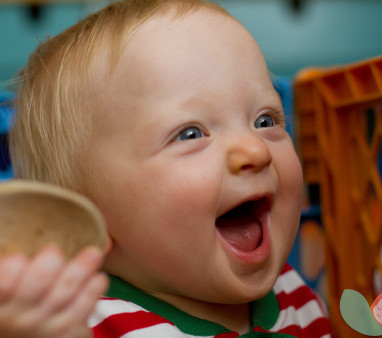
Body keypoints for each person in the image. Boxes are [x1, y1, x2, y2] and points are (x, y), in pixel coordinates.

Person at [0, 0, 331, 336]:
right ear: (88, 216)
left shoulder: (293, 292)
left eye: (265, 120)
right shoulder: (81, 323)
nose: (255, 149)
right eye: (190, 133)